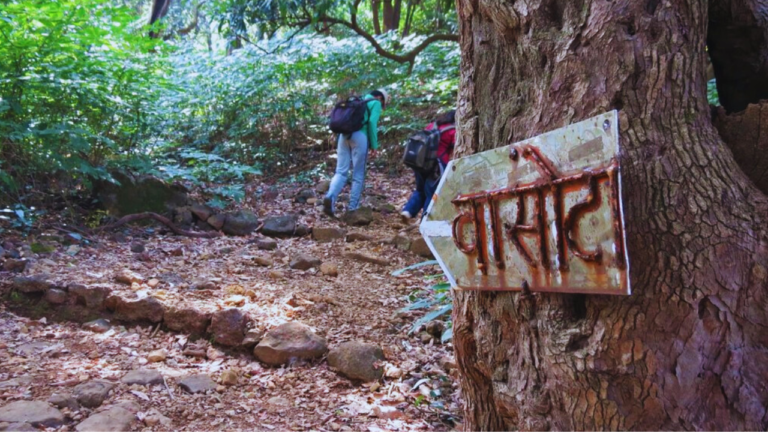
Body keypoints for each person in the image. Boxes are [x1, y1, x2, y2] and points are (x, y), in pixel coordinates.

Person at [323, 89, 389, 217]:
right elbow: (371, 123)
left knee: (341, 171)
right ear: (380, 98)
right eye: (383, 102)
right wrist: (374, 145)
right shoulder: (375, 103)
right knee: (358, 173)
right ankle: (353, 208)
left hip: (343, 136)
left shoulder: (359, 99)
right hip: (360, 137)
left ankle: (330, 197)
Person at [401, 109, 456, 220]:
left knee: (420, 190)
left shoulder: (432, 125)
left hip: (420, 163)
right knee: (433, 193)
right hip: (437, 166)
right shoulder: (453, 131)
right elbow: (456, 147)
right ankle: (426, 221)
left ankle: (408, 211)